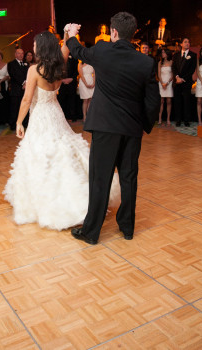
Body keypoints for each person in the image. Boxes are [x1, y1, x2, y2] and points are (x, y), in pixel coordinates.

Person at [3, 31, 119, 231]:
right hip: (56, 113)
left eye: (34, 45)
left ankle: (45, 200)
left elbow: (26, 100)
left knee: (40, 154)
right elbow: (66, 48)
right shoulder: (59, 65)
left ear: (41, 47)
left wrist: (19, 122)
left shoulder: (34, 70)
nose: (32, 48)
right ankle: (78, 195)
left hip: (40, 115)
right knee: (62, 150)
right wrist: (68, 34)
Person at [67, 12, 160, 244]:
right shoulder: (146, 62)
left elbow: (78, 51)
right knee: (129, 178)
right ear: (132, 34)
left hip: (105, 127)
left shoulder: (102, 50)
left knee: (100, 179)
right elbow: (152, 101)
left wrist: (71, 34)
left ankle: (91, 232)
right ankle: (127, 228)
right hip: (131, 129)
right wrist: (144, 126)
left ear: (114, 32)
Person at [172, 37, 197, 127]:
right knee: (177, 101)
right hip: (177, 81)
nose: (187, 43)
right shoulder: (176, 55)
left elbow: (192, 69)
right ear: (181, 44)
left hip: (186, 82)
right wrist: (177, 77)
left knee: (187, 101)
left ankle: (186, 120)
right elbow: (173, 67)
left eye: (189, 42)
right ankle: (178, 120)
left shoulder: (193, 55)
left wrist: (182, 79)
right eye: (185, 42)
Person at [7, 48, 29, 130]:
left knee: (25, 107)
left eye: (22, 53)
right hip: (15, 90)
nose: (21, 55)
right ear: (15, 54)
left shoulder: (26, 64)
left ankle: (25, 123)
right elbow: (14, 75)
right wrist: (23, 83)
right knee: (15, 108)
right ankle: (13, 125)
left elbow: (28, 75)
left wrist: (26, 83)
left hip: (25, 90)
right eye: (19, 53)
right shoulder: (11, 64)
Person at [157, 48, 173, 125]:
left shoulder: (171, 62)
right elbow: (159, 74)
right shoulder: (160, 62)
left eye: (164, 52)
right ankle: (160, 118)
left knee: (169, 101)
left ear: (167, 53)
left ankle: (168, 119)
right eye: (162, 52)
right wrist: (162, 83)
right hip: (161, 82)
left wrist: (167, 83)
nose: (162, 54)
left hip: (169, 83)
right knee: (161, 101)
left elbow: (173, 74)